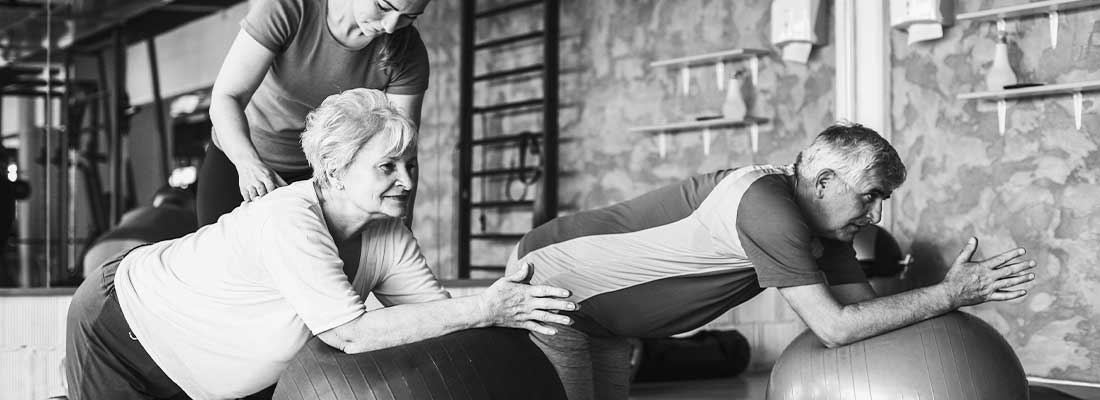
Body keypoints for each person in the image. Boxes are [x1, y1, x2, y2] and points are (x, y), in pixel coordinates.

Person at [65, 89, 576, 400]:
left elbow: (439, 325)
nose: (405, 180)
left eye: (410, 164)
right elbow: (349, 334)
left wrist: (504, 310)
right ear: (333, 171)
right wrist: (485, 306)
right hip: (122, 326)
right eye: (387, 166)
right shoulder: (289, 219)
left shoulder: (388, 237)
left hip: (199, 371)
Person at [506, 123, 1037, 400]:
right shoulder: (769, 209)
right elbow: (834, 328)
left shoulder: (824, 230)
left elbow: (866, 317)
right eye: (870, 196)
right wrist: (947, 295)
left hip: (606, 320)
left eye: (883, 202)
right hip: (556, 283)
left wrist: (952, 293)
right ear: (825, 181)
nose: (875, 216)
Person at [198, 0, 432, 226]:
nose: (391, 26)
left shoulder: (408, 51)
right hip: (241, 157)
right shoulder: (287, 8)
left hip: (322, 175)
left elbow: (400, 148)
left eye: (409, 16)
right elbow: (226, 97)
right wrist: (248, 164)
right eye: (383, 6)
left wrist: (402, 229)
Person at [81, 186, 198, 277]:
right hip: (144, 250)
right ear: (190, 204)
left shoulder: (135, 213)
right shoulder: (189, 217)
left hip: (98, 250)